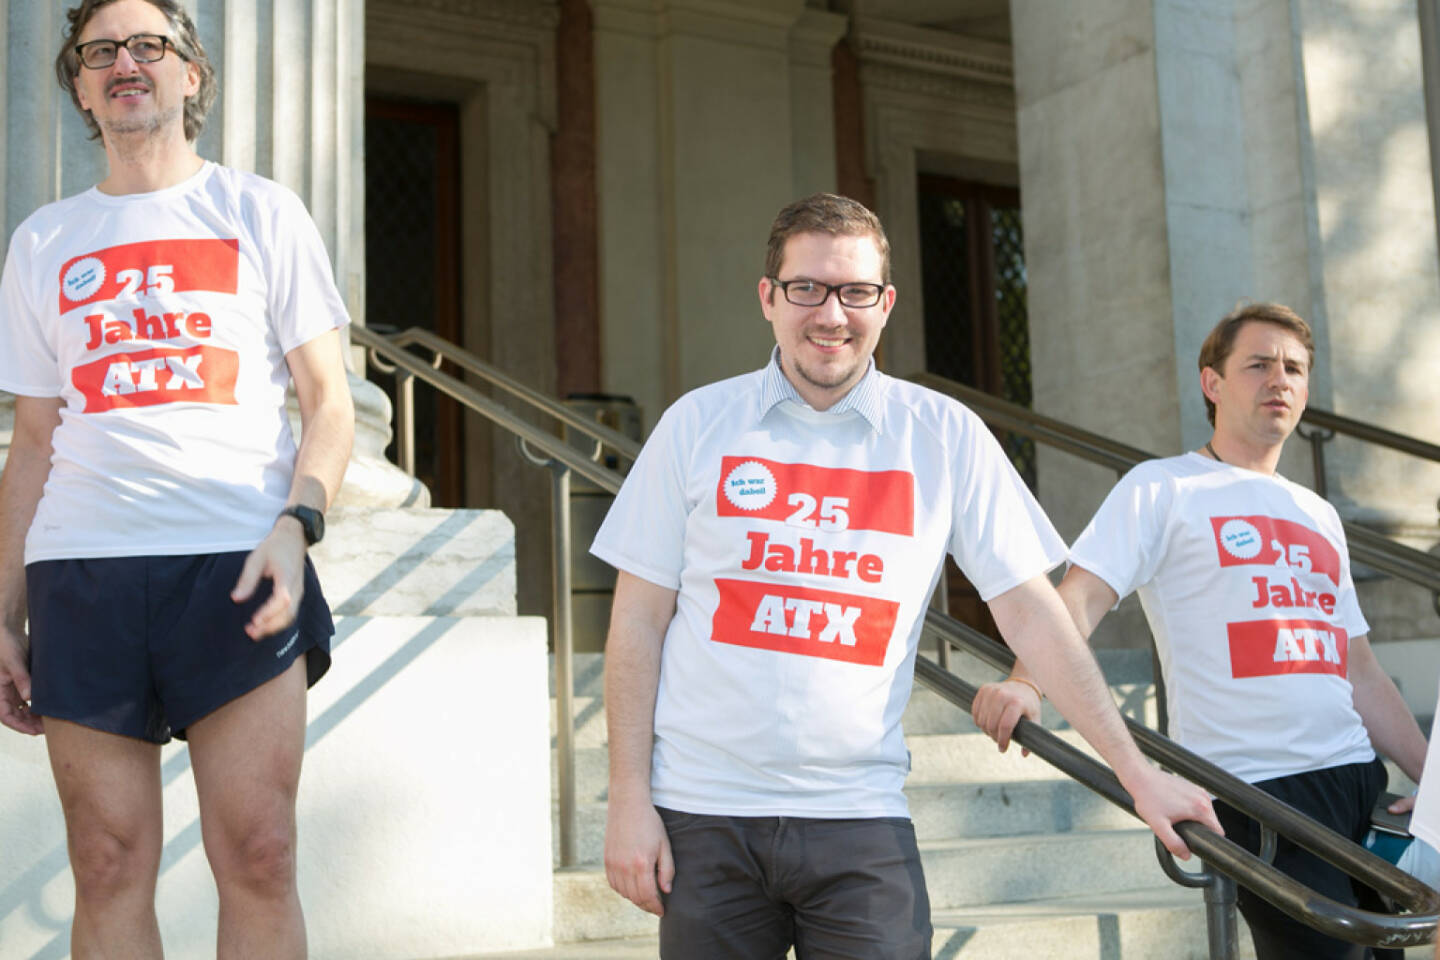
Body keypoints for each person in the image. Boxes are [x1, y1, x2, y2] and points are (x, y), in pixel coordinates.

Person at [591, 192, 1221, 958]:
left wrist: (1134, 770)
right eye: (807, 288)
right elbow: (638, 620)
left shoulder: (945, 434)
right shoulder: (698, 424)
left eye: (855, 291)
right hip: (703, 815)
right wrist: (629, 798)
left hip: (859, 819)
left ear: (885, 304)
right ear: (768, 298)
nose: (832, 314)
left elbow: (1030, 614)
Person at [0, 1, 353, 956]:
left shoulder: (260, 210)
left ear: (191, 73)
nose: (126, 63)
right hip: (83, 570)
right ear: (78, 84)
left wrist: (299, 524)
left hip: (236, 562)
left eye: (148, 46)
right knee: (107, 863)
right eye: (100, 51)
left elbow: (329, 402)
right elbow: (33, 440)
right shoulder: (42, 240)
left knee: (261, 852)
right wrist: (2, 610)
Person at [973, 302, 1428, 960]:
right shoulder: (1163, 489)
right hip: (1257, 793)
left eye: (1295, 368)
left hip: (1356, 780)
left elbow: (1357, 667)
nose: (1281, 379)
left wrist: (1431, 781)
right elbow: (1078, 599)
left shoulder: (1318, 513)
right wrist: (1024, 682)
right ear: (1212, 383)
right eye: (1259, 363)